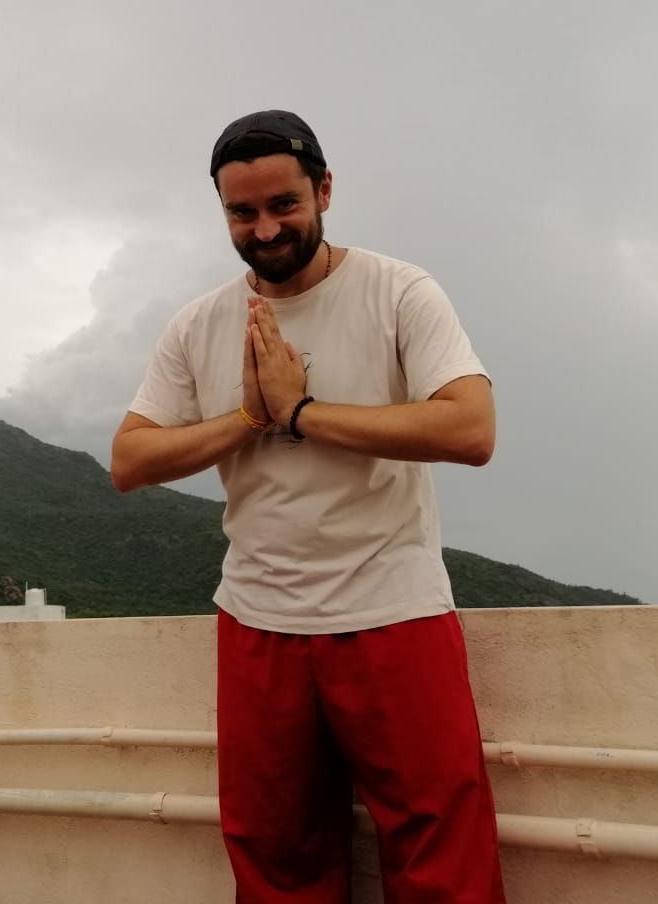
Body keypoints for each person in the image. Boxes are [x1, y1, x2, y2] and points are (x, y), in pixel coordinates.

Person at [110, 112, 504, 903]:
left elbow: (471, 428)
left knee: (440, 851)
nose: (264, 229)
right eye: (242, 212)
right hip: (258, 618)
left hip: (394, 607)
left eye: (283, 205)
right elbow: (130, 461)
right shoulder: (198, 324)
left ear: (324, 191)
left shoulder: (399, 290)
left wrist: (300, 412)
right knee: (274, 855)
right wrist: (249, 418)